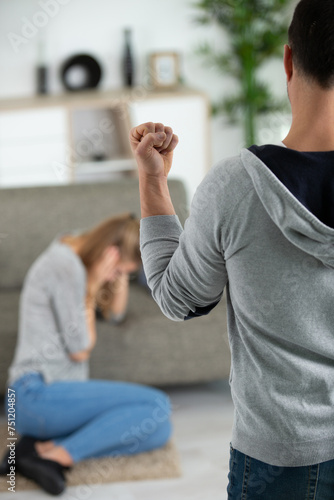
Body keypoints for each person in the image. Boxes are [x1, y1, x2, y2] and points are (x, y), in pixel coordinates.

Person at [129, 0, 334, 498]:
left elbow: (179, 299)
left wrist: (152, 183)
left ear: (288, 62)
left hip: (281, 457)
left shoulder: (236, 186)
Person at [2, 213, 172, 495]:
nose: (120, 278)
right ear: (110, 254)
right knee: (158, 406)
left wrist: (116, 277)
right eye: (119, 270)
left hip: (53, 397)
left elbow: (116, 314)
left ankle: (35, 449)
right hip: (32, 393)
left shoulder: (80, 252)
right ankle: (58, 455)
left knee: (158, 430)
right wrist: (92, 286)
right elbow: (80, 349)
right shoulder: (65, 267)